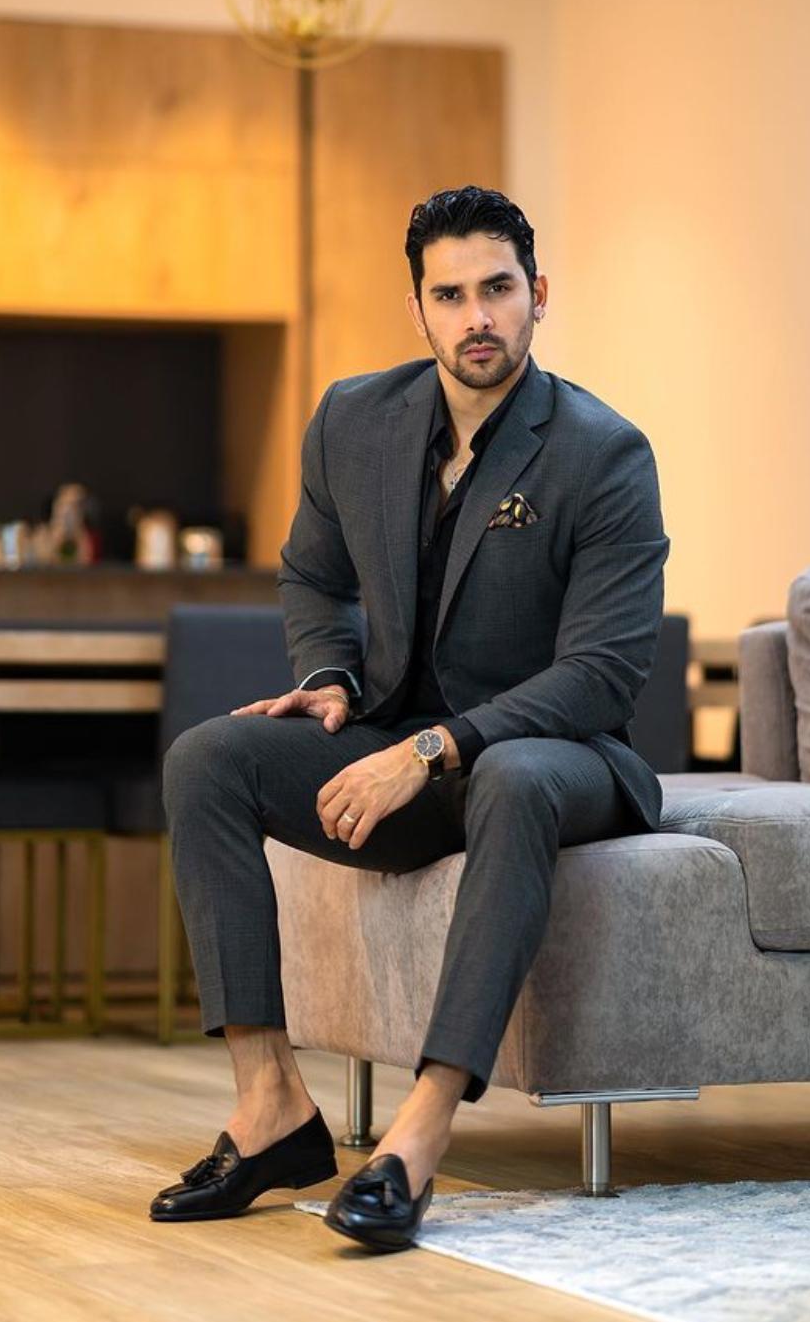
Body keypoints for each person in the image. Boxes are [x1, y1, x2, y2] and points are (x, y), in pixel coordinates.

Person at [151, 185, 670, 1251]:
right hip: (401, 745)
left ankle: (417, 1134)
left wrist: (432, 747)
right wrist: (331, 675)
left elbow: (602, 674)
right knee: (207, 759)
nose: (477, 316)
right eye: (451, 295)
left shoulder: (603, 452)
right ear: (417, 308)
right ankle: (271, 1105)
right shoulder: (353, 419)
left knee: (514, 774)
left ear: (538, 294)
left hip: (557, 755)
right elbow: (311, 574)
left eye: (498, 289)